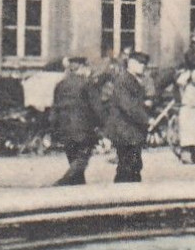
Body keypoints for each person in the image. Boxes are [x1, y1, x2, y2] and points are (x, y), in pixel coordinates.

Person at [50, 57, 101, 186]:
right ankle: (62, 182)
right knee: (82, 158)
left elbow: (55, 107)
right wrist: (102, 125)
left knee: (73, 158)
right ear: (82, 68)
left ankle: (78, 187)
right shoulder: (87, 84)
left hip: (64, 128)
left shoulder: (60, 85)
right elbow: (96, 108)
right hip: (83, 128)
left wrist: (54, 128)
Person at [103, 51, 152, 184]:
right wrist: (146, 119)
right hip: (124, 130)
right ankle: (123, 196)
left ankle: (128, 194)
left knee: (132, 165)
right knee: (128, 165)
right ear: (131, 64)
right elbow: (128, 106)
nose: (143, 66)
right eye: (140, 63)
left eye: (144, 64)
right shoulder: (124, 80)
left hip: (130, 130)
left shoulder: (132, 80)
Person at [176, 68, 195, 163]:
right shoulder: (185, 87)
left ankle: (194, 155)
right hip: (187, 112)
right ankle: (185, 156)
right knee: (187, 135)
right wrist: (188, 72)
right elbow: (179, 81)